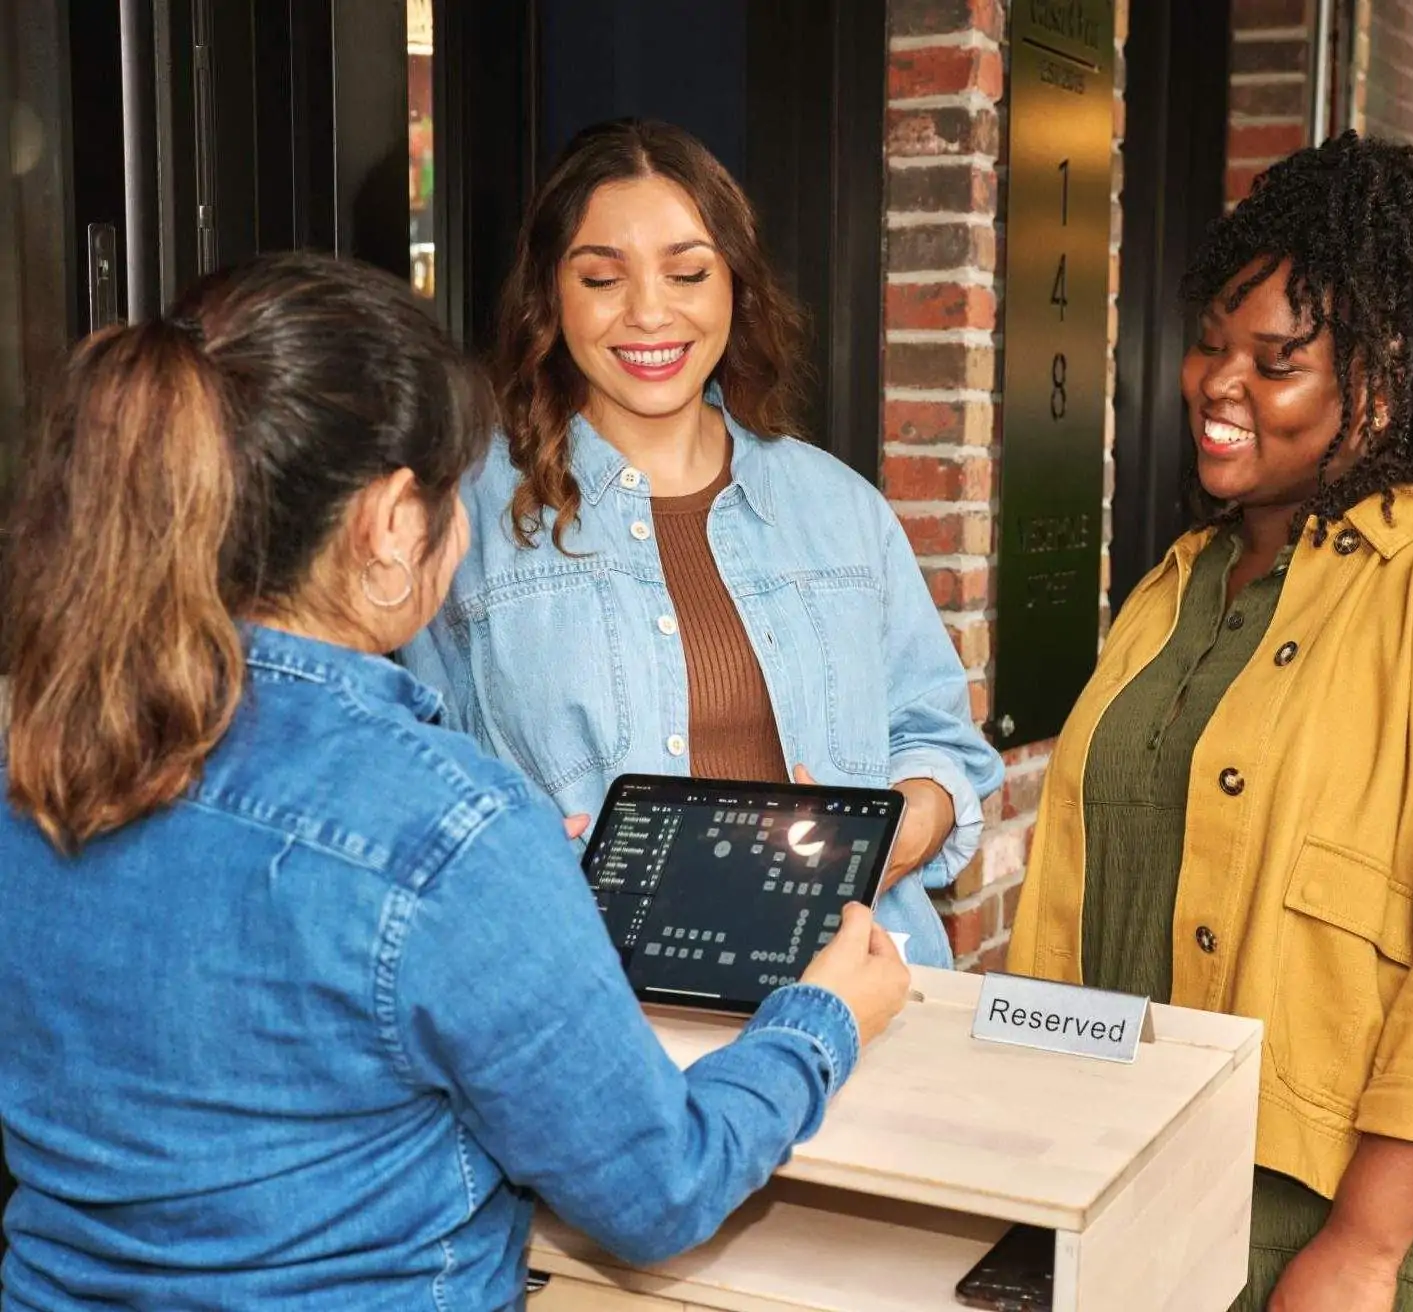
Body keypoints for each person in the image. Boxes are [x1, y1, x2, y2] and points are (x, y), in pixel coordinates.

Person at [0, 252, 910, 1311]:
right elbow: (661, 1185)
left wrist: (519, 904)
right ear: (391, 523)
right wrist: (821, 1016)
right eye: (452, 492)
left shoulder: (34, 744)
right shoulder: (453, 829)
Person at [1006, 133, 1413, 1311]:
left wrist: (1363, 1245)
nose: (1218, 385)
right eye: (1208, 345)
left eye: (1276, 360)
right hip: (1152, 1191)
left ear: (1380, 379)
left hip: (1390, 1236)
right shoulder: (1172, 587)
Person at [400, 120, 1003, 968]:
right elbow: (409, 770)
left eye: (687, 272)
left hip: (856, 988)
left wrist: (887, 836)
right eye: (603, 277)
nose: (650, 311)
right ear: (550, 294)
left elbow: (938, 741)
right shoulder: (463, 513)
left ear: (734, 288)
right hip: (590, 1004)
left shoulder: (840, 509)